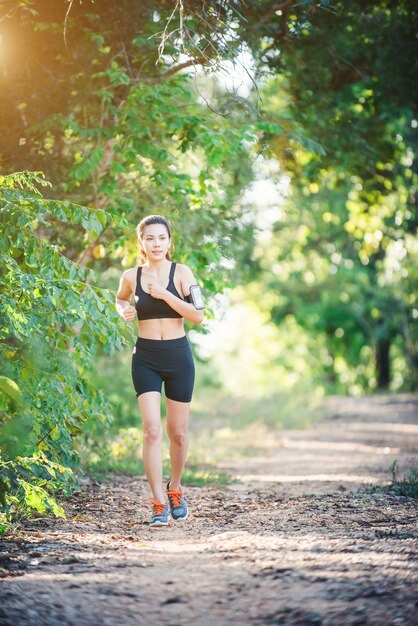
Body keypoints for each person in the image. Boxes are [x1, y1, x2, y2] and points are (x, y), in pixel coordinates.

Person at [115, 214, 205, 527]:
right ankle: (157, 503)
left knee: (177, 433)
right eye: (150, 238)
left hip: (179, 356)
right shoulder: (130, 275)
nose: (156, 244)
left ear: (169, 242)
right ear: (141, 242)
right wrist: (124, 310)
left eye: (161, 238)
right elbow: (120, 298)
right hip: (146, 356)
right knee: (152, 430)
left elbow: (198, 315)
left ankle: (175, 489)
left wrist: (164, 294)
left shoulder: (182, 273)